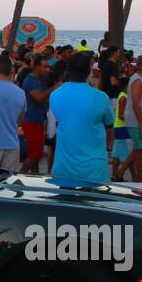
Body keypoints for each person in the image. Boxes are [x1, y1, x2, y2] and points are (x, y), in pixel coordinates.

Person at [48, 52, 115, 186]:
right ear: (89, 70)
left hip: (64, 167)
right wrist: (108, 146)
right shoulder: (101, 98)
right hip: (94, 169)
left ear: (68, 69)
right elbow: (109, 126)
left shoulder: (55, 95)